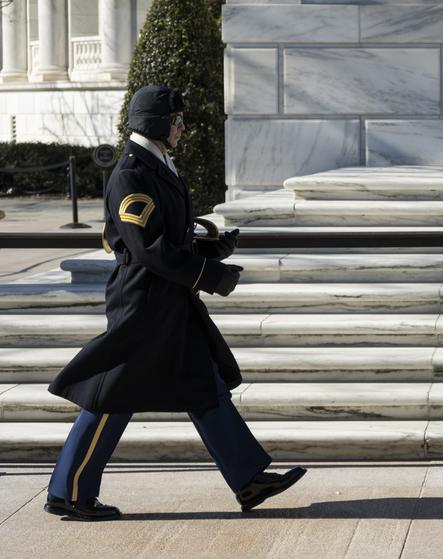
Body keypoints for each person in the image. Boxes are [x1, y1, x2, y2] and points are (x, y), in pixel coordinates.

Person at [44, 85, 305, 521]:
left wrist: (209, 251)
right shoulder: (131, 172)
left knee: (204, 385)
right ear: (156, 125)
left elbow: (167, 239)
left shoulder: (156, 164)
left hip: (167, 299)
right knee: (112, 396)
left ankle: (249, 479)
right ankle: (68, 490)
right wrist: (210, 276)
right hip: (143, 302)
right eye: (176, 121)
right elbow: (146, 249)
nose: (183, 128)